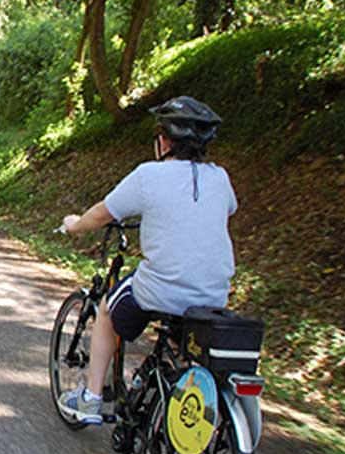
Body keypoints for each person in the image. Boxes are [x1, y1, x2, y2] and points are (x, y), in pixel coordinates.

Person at [58, 96, 237, 425]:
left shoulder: (149, 176)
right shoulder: (220, 178)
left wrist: (75, 225)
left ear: (163, 141)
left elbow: (102, 213)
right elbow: (228, 209)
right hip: (213, 295)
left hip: (162, 290)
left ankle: (91, 398)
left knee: (109, 309)